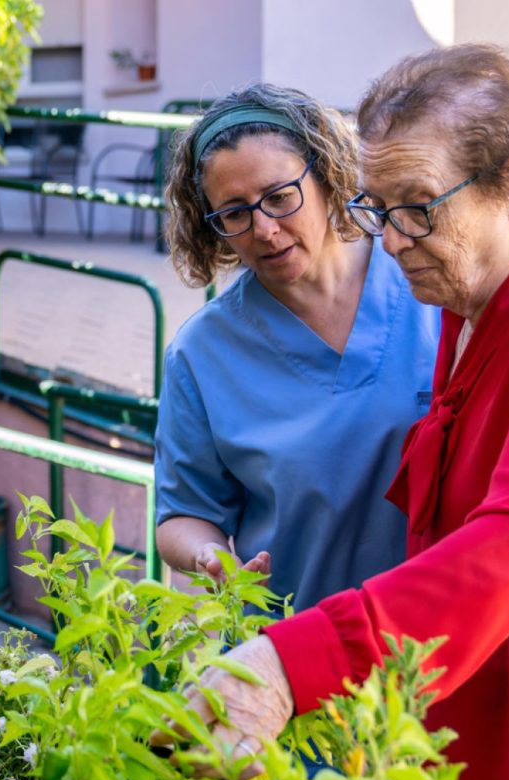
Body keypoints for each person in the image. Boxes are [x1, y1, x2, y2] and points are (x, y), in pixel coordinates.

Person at [174, 45, 509, 780]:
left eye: (419, 205)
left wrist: (290, 661)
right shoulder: (463, 305)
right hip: (442, 705)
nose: (395, 239)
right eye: (379, 207)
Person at [156, 84, 440, 611]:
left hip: (440, 629)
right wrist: (209, 556)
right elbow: (183, 513)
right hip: (293, 640)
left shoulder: (427, 283)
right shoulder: (202, 354)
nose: (264, 230)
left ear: (327, 176)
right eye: (234, 213)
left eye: (280, 196)